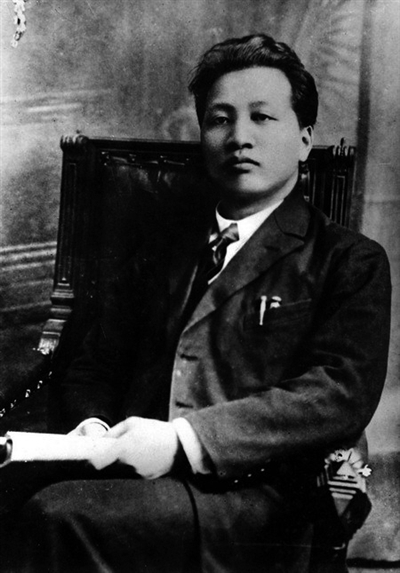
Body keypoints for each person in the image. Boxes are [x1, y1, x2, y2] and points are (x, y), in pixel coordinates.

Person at [1, 34, 391, 573]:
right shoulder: (160, 250)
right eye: (220, 119)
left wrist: (183, 440)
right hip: (130, 474)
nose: (239, 137)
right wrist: (93, 429)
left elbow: (338, 394)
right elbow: (95, 363)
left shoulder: (347, 259)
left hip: (255, 492)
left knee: (58, 517)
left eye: (262, 118)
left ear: (304, 140)